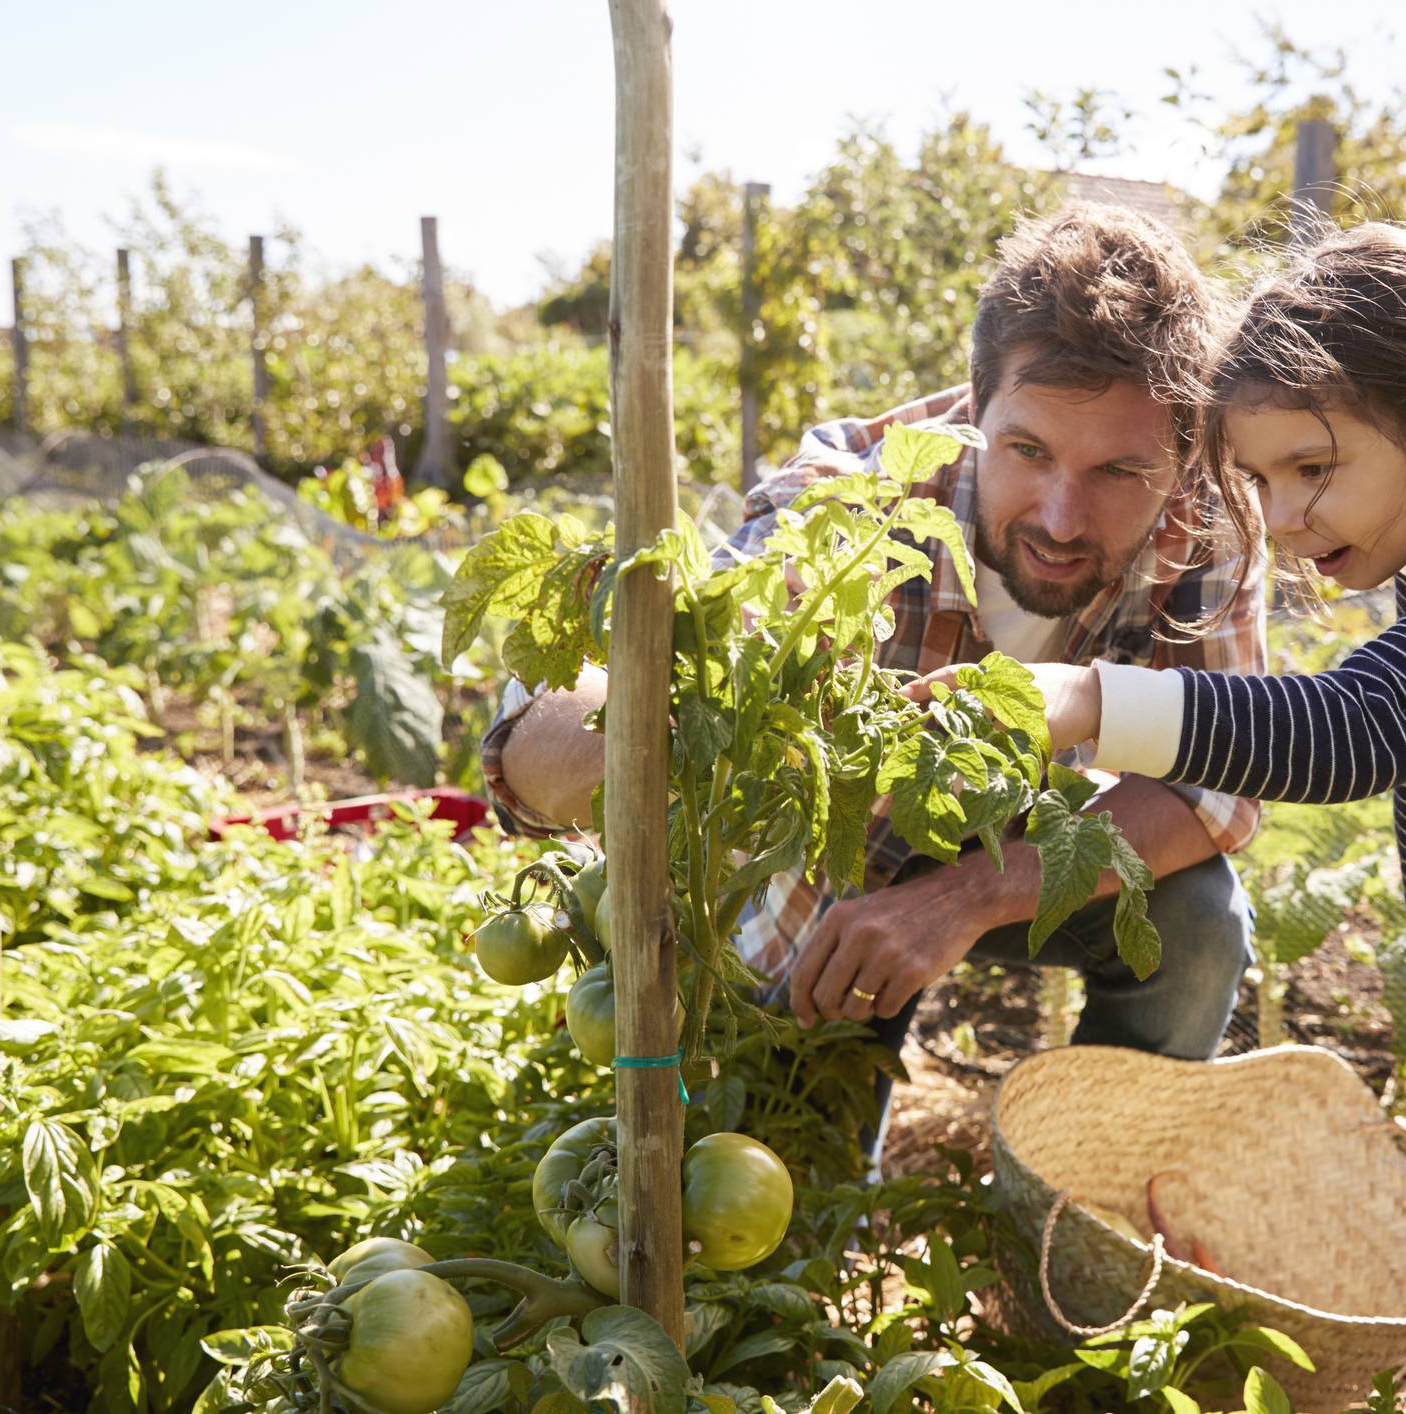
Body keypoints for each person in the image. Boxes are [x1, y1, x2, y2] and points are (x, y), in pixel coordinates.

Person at [926, 223, 1406, 1413]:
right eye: (1259, 479)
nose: (1282, 515)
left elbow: (1340, 730)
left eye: (1312, 469)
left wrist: (1083, 701)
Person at [483, 204, 1267, 1139]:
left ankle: (1095, 1190)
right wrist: (632, 718)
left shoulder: (1206, 525)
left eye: (1118, 473)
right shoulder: (854, 497)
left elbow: (1215, 791)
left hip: (1027, 845)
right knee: (793, 1172)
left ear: (1180, 455)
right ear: (976, 406)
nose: (1062, 516)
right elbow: (565, 734)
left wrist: (968, 895)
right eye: (1029, 451)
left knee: (1197, 923)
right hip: (838, 880)